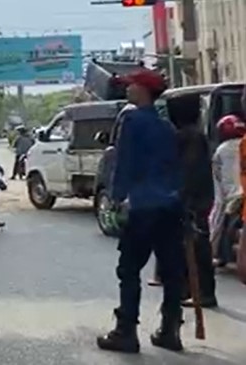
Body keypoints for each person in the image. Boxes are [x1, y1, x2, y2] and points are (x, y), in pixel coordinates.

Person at [97, 69, 185, 354]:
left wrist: (115, 197)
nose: (127, 89)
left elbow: (125, 162)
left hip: (144, 206)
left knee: (130, 269)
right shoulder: (167, 127)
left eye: (131, 85)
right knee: (171, 270)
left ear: (143, 90)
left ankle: (126, 331)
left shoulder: (132, 121)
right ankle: (170, 330)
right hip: (171, 206)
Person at [168, 99, 217, 309]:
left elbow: (189, 171)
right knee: (195, 247)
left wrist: (183, 197)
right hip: (198, 198)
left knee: (197, 247)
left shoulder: (189, 137)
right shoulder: (193, 135)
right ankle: (194, 289)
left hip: (193, 201)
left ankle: (203, 292)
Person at [210, 115, 244, 267]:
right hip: (241, 193)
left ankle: (211, 251)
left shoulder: (221, 150)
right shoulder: (242, 144)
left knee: (217, 215)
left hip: (231, 195)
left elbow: (218, 176)